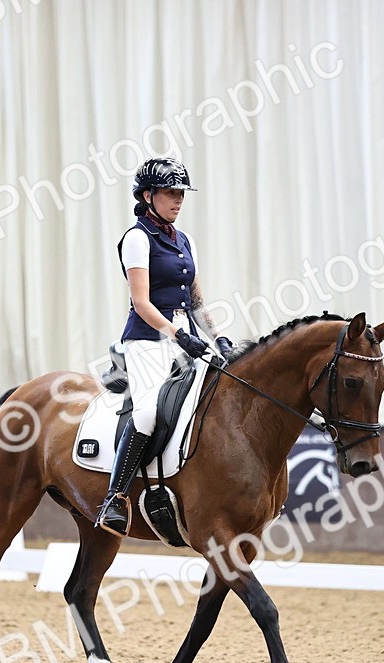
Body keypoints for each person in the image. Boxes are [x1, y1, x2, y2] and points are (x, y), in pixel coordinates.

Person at [94, 157, 233, 536]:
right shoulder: (137, 239)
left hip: (184, 337)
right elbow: (141, 302)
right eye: (171, 193)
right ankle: (115, 498)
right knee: (148, 413)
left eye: (181, 193)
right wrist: (177, 333)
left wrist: (217, 338)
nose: (178, 200)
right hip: (147, 341)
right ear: (147, 195)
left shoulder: (183, 240)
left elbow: (198, 300)